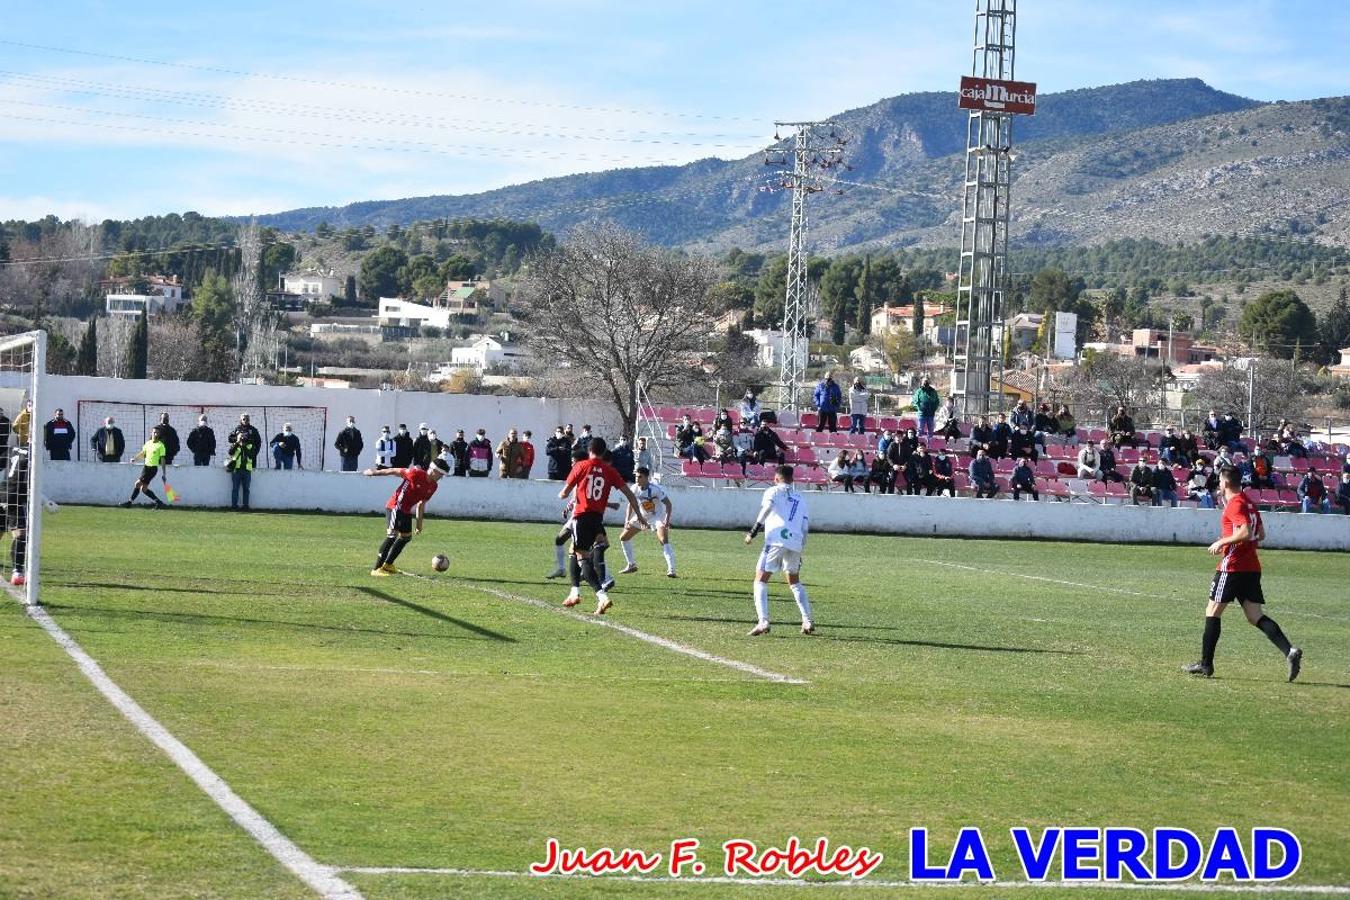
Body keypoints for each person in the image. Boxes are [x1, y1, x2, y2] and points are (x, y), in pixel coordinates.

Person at [1184, 469, 1302, 681]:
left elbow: (1246, 532)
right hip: (1251, 567)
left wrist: (1222, 541)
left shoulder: (1235, 503)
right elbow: (1261, 534)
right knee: (1254, 615)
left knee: (1212, 611)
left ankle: (1206, 664)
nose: (1218, 484)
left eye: (1220, 480)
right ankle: (1290, 651)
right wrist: (1236, 538)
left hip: (1233, 567)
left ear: (1226, 483)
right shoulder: (1249, 502)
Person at [559, 437, 646, 615]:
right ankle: (574, 592)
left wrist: (563, 493)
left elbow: (564, 493)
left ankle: (602, 596)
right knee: (579, 550)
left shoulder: (581, 466)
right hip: (597, 519)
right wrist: (639, 516)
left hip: (581, 517)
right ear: (604, 451)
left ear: (589, 450)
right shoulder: (610, 470)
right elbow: (630, 494)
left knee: (580, 556)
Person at [744, 465, 814, 636]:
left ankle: (763, 621)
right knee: (794, 582)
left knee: (760, 579)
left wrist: (753, 531)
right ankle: (807, 620)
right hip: (796, 541)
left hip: (776, 539)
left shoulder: (773, 491)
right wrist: (800, 549)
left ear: (776, 478)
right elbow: (805, 527)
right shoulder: (800, 498)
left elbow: (766, 509)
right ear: (792, 479)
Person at [364, 457, 450, 576]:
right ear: (434, 470)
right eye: (441, 474)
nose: (441, 477)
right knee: (392, 536)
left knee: (406, 537)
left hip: (406, 511)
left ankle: (388, 565)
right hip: (395, 506)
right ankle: (376, 569)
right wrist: (374, 472)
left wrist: (419, 524)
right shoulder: (415, 473)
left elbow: (421, 504)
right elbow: (395, 471)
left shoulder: (433, 486)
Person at [618, 467, 676, 577]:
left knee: (663, 540)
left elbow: (668, 504)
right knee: (623, 538)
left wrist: (666, 521)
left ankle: (671, 570)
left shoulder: (656, 489)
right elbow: (631, 504)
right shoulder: (635, 488)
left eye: (640, 477)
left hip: (656, 517)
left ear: (646, 478)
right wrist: (627, 520)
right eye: (636, 476)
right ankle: (631, 565)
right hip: (641, 517)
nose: (637, 479)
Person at [121, 426, 168, 509]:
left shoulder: (161, 446)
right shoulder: (148, 443)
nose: (155, 434)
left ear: (159, 434)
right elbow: (143, 453)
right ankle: (159, 502)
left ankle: (129, 502)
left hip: (152, 469)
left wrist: (164, 473)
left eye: (157, 432)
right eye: (154, 432)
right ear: (151, 433)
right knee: (144, 489)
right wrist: (135, 458)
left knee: (137, 484)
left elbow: (163, 459)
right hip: (146, 468)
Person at [3, 447, 31, 585]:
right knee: (21, 534)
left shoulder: (11, 449)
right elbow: (29, 481)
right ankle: (17, 573)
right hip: (15, 496)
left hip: (3, 491)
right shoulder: (32, 453)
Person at [225, 429, 257, 510]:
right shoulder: (235, 444)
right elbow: (230, 452)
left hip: (247, 470)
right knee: (235, 488)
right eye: (241, 436)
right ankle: (234, 506)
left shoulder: (250, 445)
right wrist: (237, 443)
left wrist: (244, 446)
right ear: (237, 437)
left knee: (246, 489)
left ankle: (245, 506)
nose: (242, 437)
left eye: (244, 436)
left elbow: (251, 456)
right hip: (236, 470)